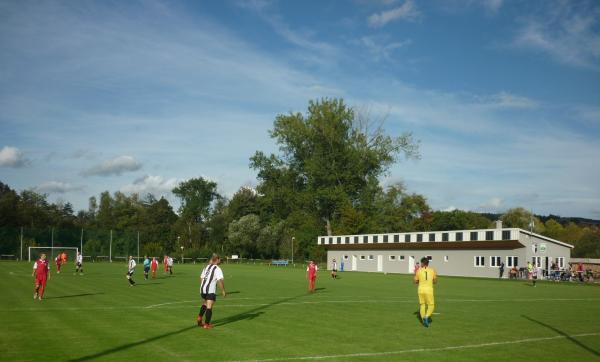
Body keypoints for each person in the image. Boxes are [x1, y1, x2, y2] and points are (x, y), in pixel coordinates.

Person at [197, 254, 226, 329]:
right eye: (220, 259)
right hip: (210, 290)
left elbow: (201, 278)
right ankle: (206, 324)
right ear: (217, 260)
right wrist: (223, 291)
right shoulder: (217, 268)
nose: (220, 261)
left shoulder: (206, 267)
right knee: (209, 307)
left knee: (205, 303)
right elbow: (220, 280)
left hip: (202, 289)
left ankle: (199, 318)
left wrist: (203, 286)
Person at [414, 257, 437, 327]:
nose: (421, 264)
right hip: (429, 290)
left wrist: (419, 281)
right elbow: (435, 281)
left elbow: (415, 281)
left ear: (423, 263)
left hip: (420, 290)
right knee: (431, 305)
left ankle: (423, 318)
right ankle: (426, 317)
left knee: (422, 305)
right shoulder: (432, 270)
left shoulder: (419, 270)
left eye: (421, 263)